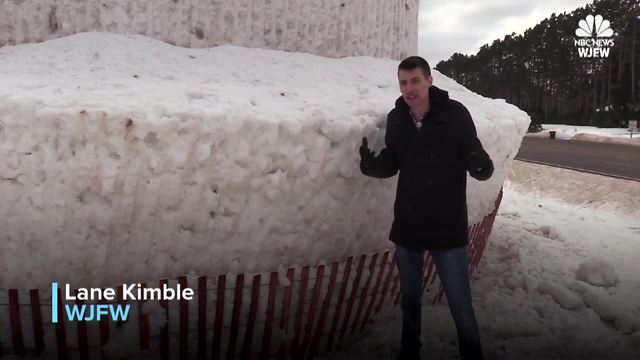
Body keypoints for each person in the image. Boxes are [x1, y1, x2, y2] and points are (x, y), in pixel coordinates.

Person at [359, 56, 493, 360]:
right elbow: (393, 161)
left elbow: (474, 152)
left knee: (460, 302)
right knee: (409, 300)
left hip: (447, 226)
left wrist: (480, 164)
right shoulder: (397, 118)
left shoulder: (455, 114)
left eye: (415, 81)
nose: (409, 89)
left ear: (429, 80)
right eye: (403, 83)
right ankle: (410, 352)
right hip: (408, 224)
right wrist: (372, 166)